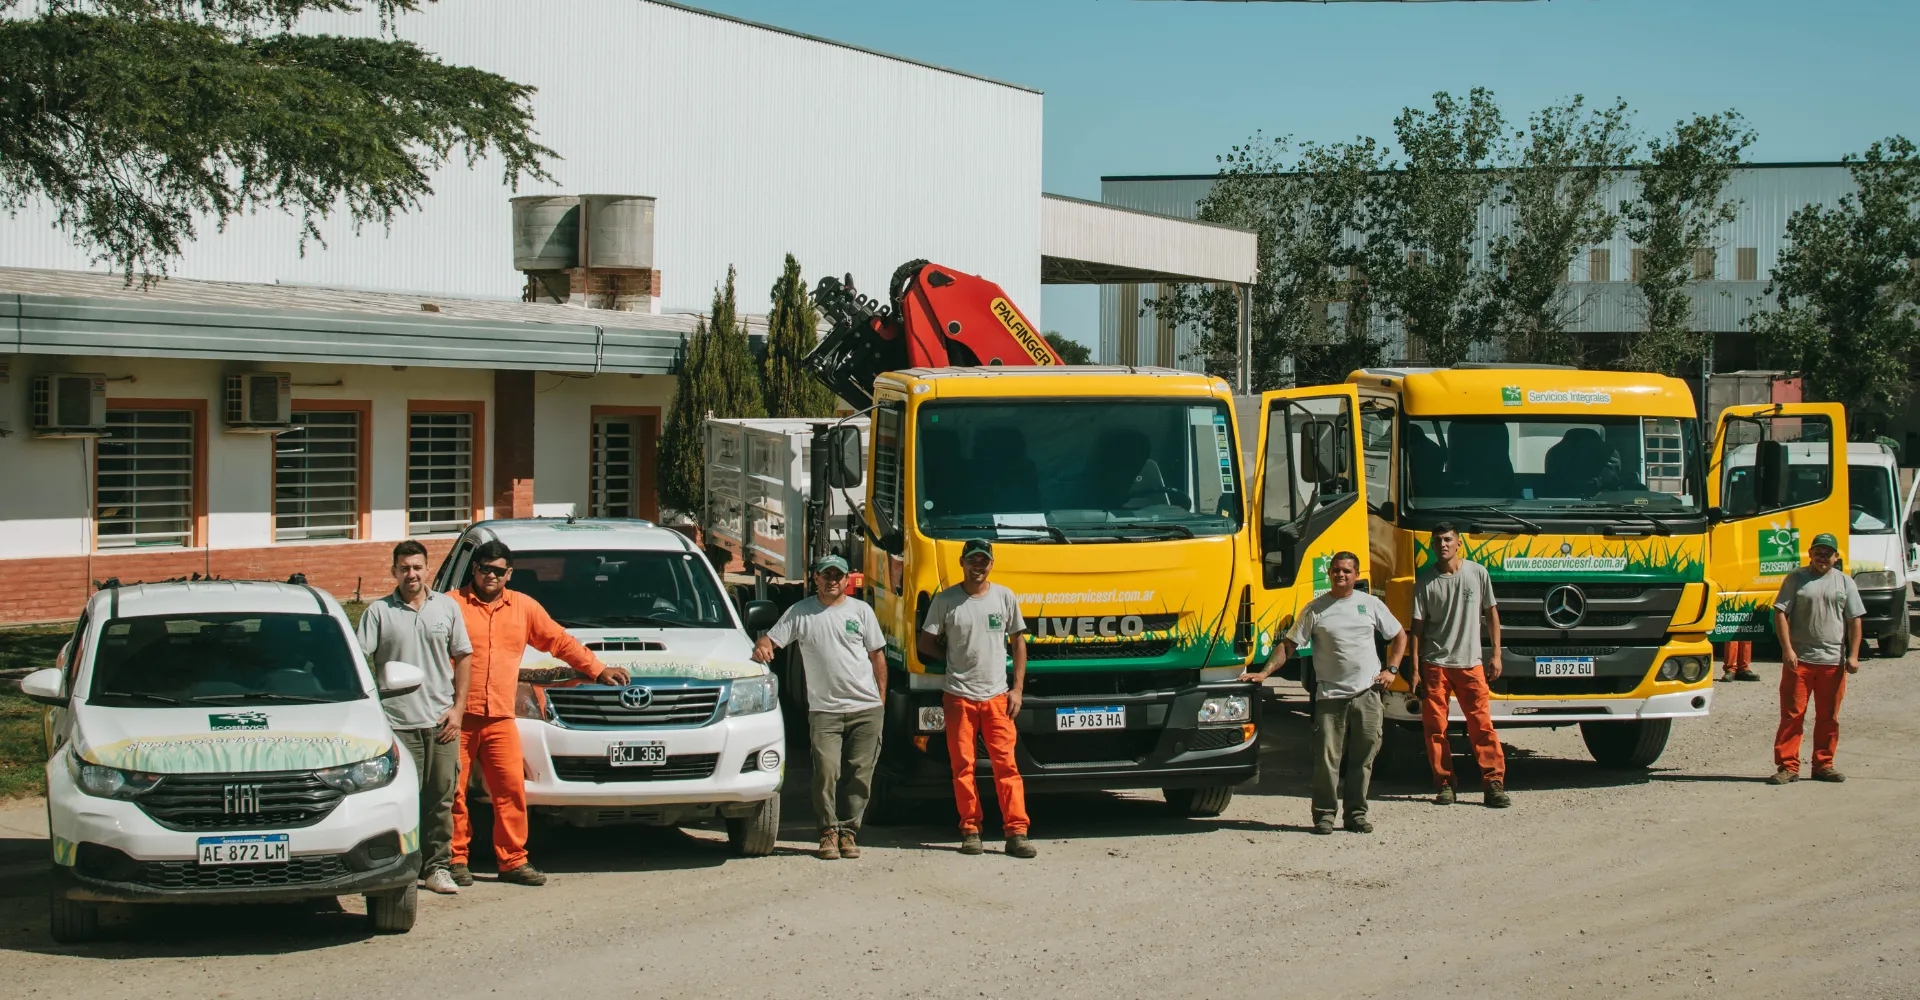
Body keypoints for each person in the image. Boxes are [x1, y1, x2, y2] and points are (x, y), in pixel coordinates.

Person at [449, 539, 630, 885]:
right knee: (452, 791)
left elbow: (558, 641)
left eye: (499, 571)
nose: (491, 576)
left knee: (511, 789)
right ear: (474, 569)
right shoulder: (450, 606)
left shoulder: (523, 607)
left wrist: (596, 668)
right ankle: (455, 859)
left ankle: (513, 861)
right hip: (459, 716)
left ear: (509, 575)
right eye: (485, 568)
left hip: (501, 715)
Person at [1240, 551, 1407, 835]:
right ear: (1329, 574)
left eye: (1347, 571)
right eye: (1336, 570)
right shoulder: (1316, 609)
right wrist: (1265, 673)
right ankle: (1325, 816)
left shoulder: (1370, 604)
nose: (1341, 575)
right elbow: (1290, 645)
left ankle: (1356, 815)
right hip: (1330, 698)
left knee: (1363, 758)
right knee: (1327, 760)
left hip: (1367, 694)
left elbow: (1399, 635)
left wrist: (1391, 669)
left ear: (1356, 575)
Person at [753, 553, 888, 861]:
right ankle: (828, 832)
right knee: (827, 771)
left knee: (860, 774)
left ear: (846, 580)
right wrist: (762, 647)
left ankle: (849, 831)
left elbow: (877, 656)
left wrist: (880, 701)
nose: (832, 581)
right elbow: (770, 642)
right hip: (825, 710)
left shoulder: (862, 611)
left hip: (866, 707)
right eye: (826, 575)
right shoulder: (801, 613)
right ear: (815, 578)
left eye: (837, 576)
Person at [357, 540, 473, 896]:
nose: (412, 574)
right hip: (397, 723)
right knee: (403, 800)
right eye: (404, 568)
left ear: (427, 569)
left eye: (418, 567)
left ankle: (437, 867)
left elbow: (464, 657)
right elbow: (362, 661)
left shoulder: (447, 608)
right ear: (394, 571)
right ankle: (400, 867)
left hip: (441, 722)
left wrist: (458, 709)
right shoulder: (378, 612)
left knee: (441, 797)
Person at [917, 538, 1036, 859]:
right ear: (962, 562)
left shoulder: (1004, 597)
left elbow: (1019, 643)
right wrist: (952, 659)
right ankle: (970, 830)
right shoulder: (946, 601)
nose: (978, 566)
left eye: (983, 560)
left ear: (991, 563)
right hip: (958, 697)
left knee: (1007, 766)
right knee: (962, 767)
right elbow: (926, 643)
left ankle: (1017, 832)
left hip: (998, 697)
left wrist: (1018, 689)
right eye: (972, 560)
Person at [1410, 522, 1509, 808]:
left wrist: (1496, 655)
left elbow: (1491, 615)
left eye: (1448, 539)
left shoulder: (1477, 573)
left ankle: (1493, 783)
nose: (1443, 544)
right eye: (1438, 540)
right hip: (1435, 664)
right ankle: (1444, 784)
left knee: (1481, 725)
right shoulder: (1425, 580)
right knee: (1436, 728)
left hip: (1470, 664)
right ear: (1431, 545)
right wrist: (1415, 669)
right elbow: (1415, 629)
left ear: (1458, 543)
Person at [1767, 532, 1865, 785]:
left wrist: (1853, 655)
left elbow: (1855, 619)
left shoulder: (1845, 583)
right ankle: (1788, 766)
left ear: (1836, 557)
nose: (1822, 557)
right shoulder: (1796, 579)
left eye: (1828, 553)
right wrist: (1787, 649)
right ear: (1809, 553)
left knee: (1828, 716)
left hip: (1833, 662)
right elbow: (1780, 613)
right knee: (1792, 715)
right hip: (1799, 661)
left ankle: (1824, 764)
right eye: (1818, 552)